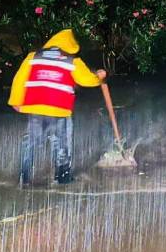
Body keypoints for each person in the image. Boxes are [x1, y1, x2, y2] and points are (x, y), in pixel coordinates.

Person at [8, 29, 106, 184]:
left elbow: (19, 79)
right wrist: (98, 77)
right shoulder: (71, 61)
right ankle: (62, 178)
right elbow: (87, 80)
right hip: (58, 109)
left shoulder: (33, 57)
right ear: (71, 46)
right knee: (60, 143)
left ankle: (24, 178)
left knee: (31, 142)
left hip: (35, 107)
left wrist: (15, 101)